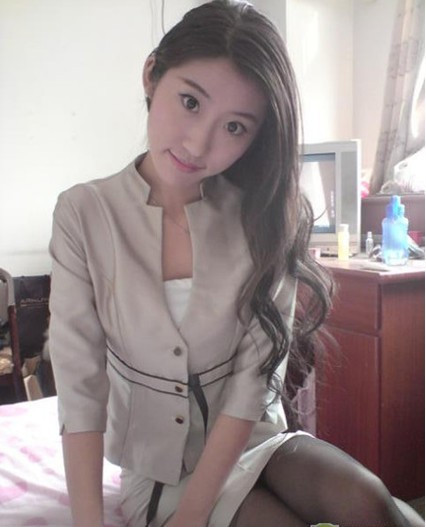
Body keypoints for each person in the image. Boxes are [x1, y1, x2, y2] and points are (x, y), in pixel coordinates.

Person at [48, 1, 424, 526]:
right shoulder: (84, 214)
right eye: (190, 102)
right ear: (152, 74)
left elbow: (253, 385)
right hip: (162, 469)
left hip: (257, 437)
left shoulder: (265, 217)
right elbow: (80, 388)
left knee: (371, 502)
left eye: (234, 128)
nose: (198, 143)